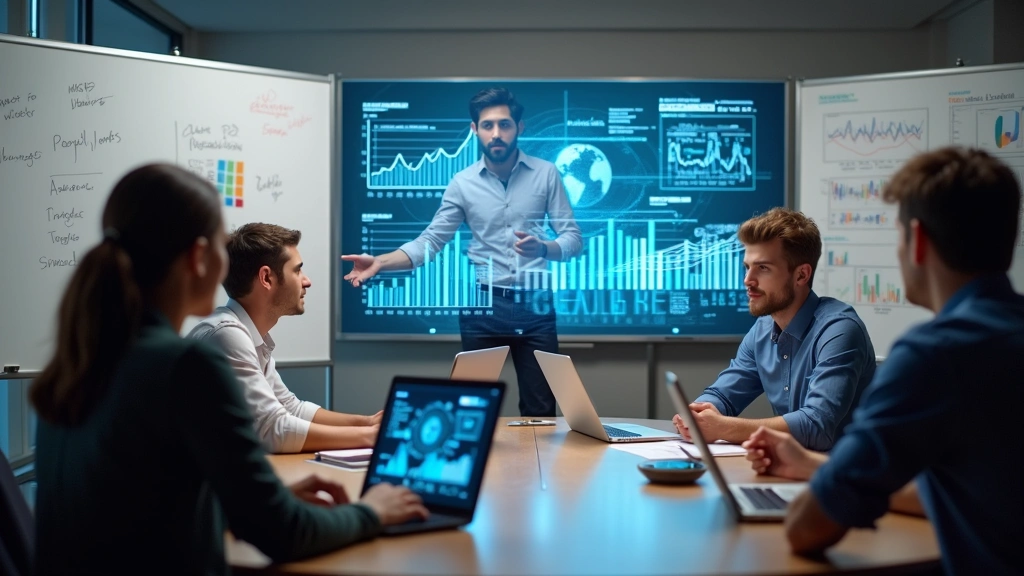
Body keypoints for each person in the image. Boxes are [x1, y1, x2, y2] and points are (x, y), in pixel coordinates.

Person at [30, 164, 428, 575]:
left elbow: (137, 508)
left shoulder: (78, 363)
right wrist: (371, 511)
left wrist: (254, 501)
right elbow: (281, 532)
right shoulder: (186, 365)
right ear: (198, 257)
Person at [745, 147, 1024, 575]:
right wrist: (815, 466)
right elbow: (973, 491)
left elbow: (807, 529)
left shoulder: (934, 354)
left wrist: (827, 482)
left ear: (918, 240)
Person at [342, 87, 582, 417]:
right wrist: (380, 263)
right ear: (474, 129)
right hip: (484, 305)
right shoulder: (462, 183)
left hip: (535, 304)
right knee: (470, 406)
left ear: (519, 127)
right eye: (487, 125)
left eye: (504, 124)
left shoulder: (546, 173)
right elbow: (430, 242)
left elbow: (573, 239)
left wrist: (543, 247)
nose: (496, 133)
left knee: (540, 410)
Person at [672, 208, 876, 451]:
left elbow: (817, 426)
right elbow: (724, 395)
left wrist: (722, 428)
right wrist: (699, 414)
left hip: (847, 471)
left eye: (763, 268)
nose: (748, 280)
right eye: (747, 267)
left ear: (801, 275)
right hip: (790, 467)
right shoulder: (763, 329)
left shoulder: (839, 330)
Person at [189, 223, 381, 453]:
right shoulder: (226, 334)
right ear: (266, 278)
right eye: (297, 271)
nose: (306, 281)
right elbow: (273, 429)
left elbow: (290, 408)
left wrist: (367, 423)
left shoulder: (247, 334)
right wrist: (370, 437)